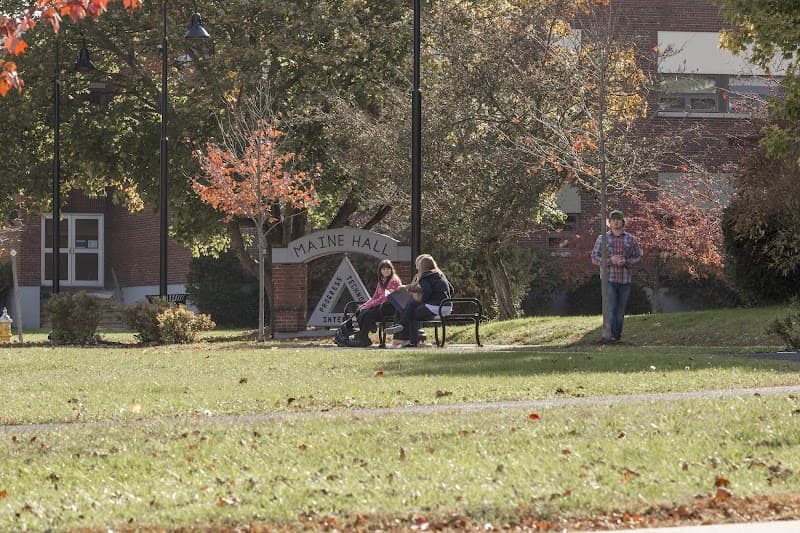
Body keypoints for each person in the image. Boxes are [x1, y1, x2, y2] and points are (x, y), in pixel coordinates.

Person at [591, 209, 642, 342]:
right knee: (612, 308)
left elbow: (638, 257)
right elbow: (594, 257)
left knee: (620, 311)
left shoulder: (631, 239)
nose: (616, 222)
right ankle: (611, 336)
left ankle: (617, 337)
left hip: (625, 279)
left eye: (618, 219)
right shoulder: (602, 238)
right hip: (609, 278)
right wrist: (610, 261)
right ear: (609, 222)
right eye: (613, 220)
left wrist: (626, 262)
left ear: (623, 222)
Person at [385, 254, 452, 348]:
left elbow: (427, 290)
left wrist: (424, 301)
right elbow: (451, 290)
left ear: (421, 266)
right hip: (447, 306)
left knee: (412, 310)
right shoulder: (440, 274)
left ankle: (405, 332)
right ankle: (402, 327)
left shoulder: (425, 276)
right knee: (412, 307)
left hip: (434, 307)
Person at [348, 259, 402, 347]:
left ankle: (362, 336)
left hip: (390, 307)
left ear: (391, 270)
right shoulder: (381, 281)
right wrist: (364, 305)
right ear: (380, 271)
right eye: (383, 269)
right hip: (381, 306)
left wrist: (368, 306)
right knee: (360, 312)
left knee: (368, 313)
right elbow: (375, 297)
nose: (386, 271)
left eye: (388, 269)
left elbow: (383, 298)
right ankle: (365, 338)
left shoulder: (393, 281)